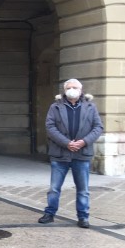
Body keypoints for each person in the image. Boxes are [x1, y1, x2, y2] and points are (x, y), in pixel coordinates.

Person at [38, 79, 103, 229]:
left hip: (82, 154)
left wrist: (84, 141)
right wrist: (67, 143)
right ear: (64, 90)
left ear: (81, 90)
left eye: (75, 87)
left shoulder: (90, 107)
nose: (72, 89)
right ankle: (50, 213)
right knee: (54, 188)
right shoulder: (55, 107)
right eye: (69, 87)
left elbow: (98, 127)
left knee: (83, 189)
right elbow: (50, 127)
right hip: (60, 154)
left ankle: (83, 217)